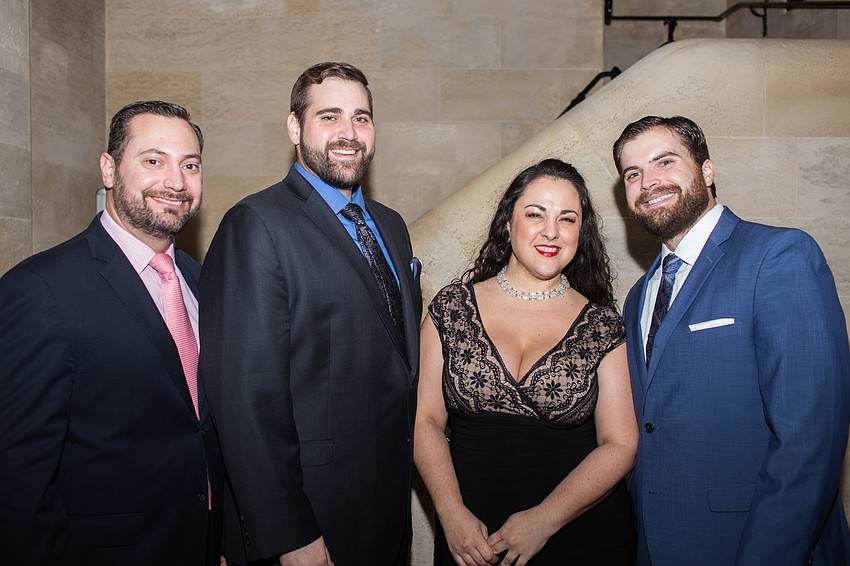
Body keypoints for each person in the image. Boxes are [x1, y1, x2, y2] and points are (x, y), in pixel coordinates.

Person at [200, 62, 422, 566]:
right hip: (308, 520)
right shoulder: (255, 224)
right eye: (330, 116)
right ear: (295, 128)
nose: (348, 133)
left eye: (361, 118)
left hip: (384, 511)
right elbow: (243, 395)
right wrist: (287, 532)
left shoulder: (390, 225)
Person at [612, 115, 850, 565]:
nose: (648, 182)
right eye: (633, 174)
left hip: (755, 543)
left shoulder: (779, 256)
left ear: (706, 171)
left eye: (665, 162)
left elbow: (810, 441)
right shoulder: (639, 296)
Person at [0, 100, 224, 565]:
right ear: (109, 168)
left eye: (190, 165)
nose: (176, 182)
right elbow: (15, 483)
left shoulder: (200, 281)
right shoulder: (41, 290)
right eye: (153, 161)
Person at [415, 159, 638, 566]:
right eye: (535, 214)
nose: (551, 231)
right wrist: (449, 514)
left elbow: (620, 444)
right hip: (469, 541)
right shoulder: (451, 309)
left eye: (567, 219)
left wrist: (544, 520)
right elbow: (424, 419)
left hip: (583, 538)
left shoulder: (602, 326)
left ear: (580, 234)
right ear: (507, 222)